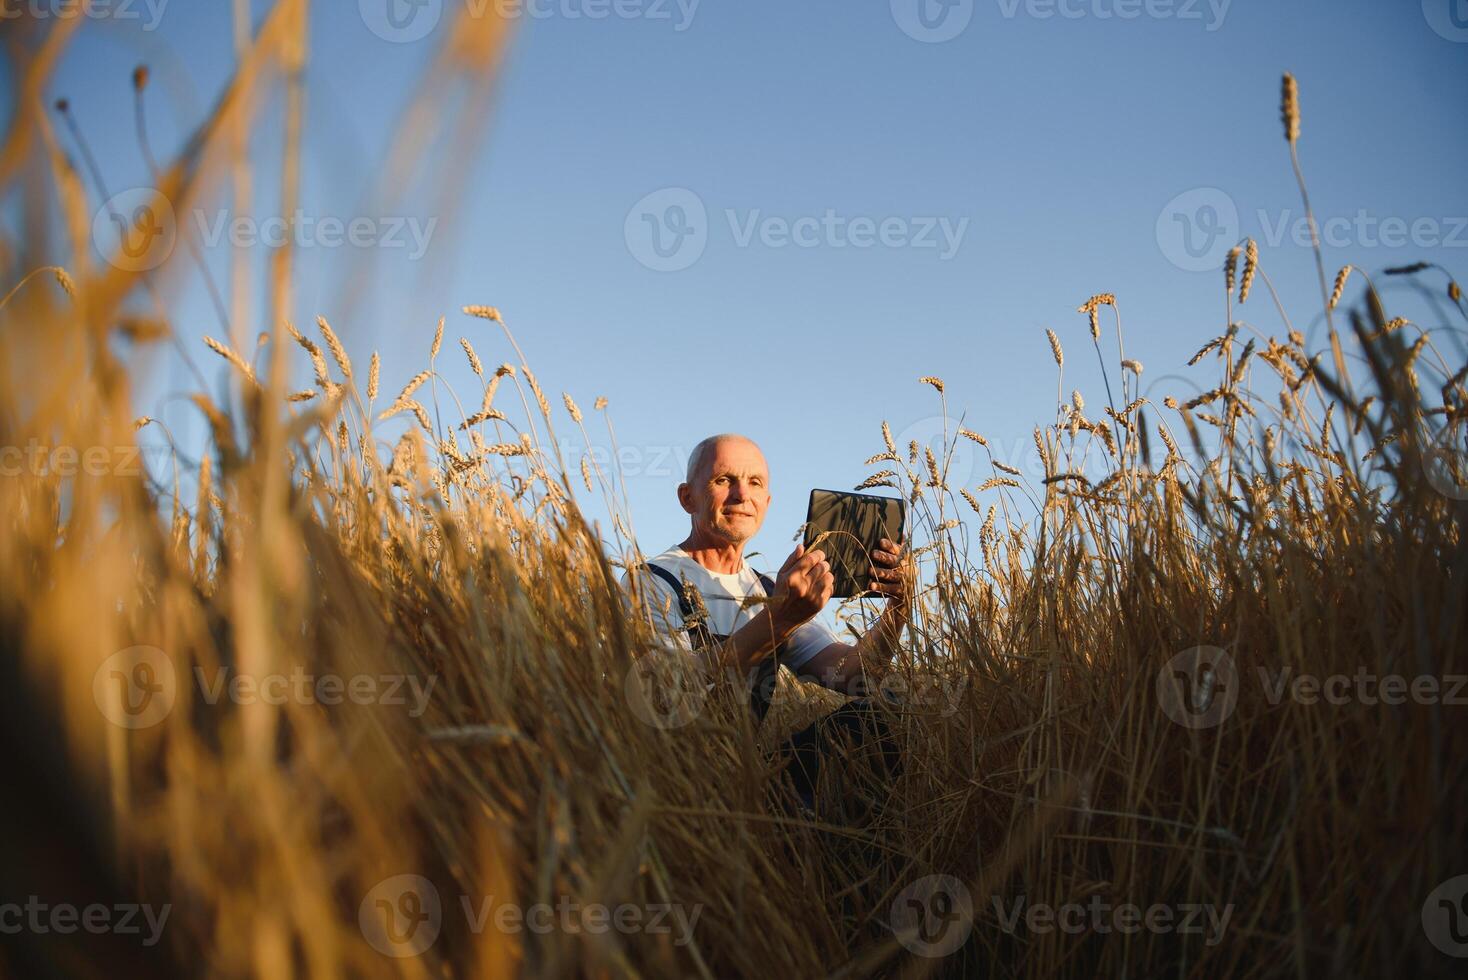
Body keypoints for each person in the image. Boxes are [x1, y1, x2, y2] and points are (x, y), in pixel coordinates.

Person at [620, 432, 909, 812]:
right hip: (668, 791)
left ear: (767, 502)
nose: (742, 495)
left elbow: (857, 675)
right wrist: (779, 620)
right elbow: (667, 690)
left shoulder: (767, 588)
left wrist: (898, 608)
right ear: (687, 497)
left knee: (885, 711)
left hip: (748, 781)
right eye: (724, 480)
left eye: (755, 483)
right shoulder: (652, 580)